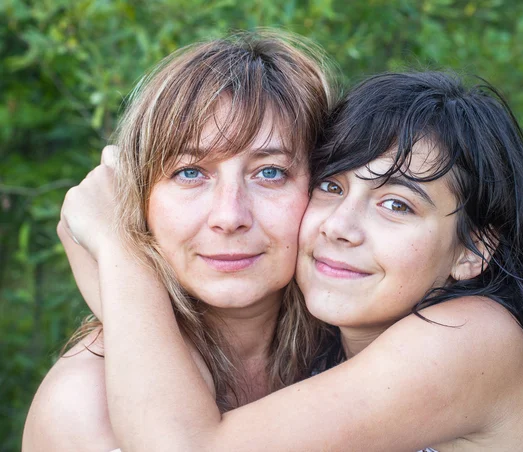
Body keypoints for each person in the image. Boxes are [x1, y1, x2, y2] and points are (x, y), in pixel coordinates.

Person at [59, 71, 523, 451]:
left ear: (473, 250)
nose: (340, 226)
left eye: (396, 204)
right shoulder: (330, 353)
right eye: (332, 186)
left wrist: (116, 247)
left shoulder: (471, 338)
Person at [22, 31, 337, 451]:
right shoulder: (82, 403)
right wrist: (116, 244)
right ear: (140, 198)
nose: (229, 216)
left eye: (270, 172)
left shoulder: (363, 347)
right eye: (190, 172)